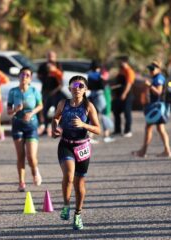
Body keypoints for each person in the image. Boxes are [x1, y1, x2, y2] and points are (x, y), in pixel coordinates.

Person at [51, 75, 101, 230]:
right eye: (74, 85)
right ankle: (66, 205)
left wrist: (83, 125)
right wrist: (55, 128)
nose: (77, 88)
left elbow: (98, 129)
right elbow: (56, 118)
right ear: (69, 88)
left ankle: (78, 214)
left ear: (85, 89)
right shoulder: (63, 103)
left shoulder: (89, 106)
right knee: (68, 175)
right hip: (66, 144)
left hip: (82, 147)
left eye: (81, 86)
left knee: (79, 184)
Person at [7, 67, 43, 192]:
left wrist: (31, 113)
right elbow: (8, 111)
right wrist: (16, 109)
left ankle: (35, 172)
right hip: (17, 124)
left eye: (27, 75)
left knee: (31, 157)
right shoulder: (13, 92)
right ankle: (21, 182)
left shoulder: (34, 90)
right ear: (19, 76)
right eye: (22, 74)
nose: (24, 76)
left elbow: (40, 105)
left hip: (31, 126)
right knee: (20, 156)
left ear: (30, 78)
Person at [132, 60, 171, 158]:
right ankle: (166, 150)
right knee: (159, 128)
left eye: (152, 69)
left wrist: (149, 85)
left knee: (149, 128)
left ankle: (143, 151)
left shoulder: (159, 78)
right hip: (156, 107)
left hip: (157, 107)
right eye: (150, 68)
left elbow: (158, 92)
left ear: (159, 69)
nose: (151, 70)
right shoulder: (156, 77)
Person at [37, 50, 64, 136]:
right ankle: (45, 128)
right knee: (44, 110)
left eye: (52, 56)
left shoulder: (58, 65)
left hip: (56, 91)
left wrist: (54, 70)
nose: (51, 58)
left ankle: (59, 128)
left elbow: (61, 75)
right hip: (46, 91)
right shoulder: (43, 66)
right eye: (49, 56)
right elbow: (38, 75)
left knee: (58, 111)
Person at [87, 60, 114, 143]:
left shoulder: (89, 75)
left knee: (94, 116)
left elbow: (89, 86)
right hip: (99, 96)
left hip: (92, 96)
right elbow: (102, 86)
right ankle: (106, 135)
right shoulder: (99, 75)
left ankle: (90, 136)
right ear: (98, 67)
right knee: (105, 114)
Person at [111, 57, 135, 137]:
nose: (121, 64)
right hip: (118, 95)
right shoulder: (121, 70)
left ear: (126, 62)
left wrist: (124, 94)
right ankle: (117, 130)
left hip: (126, 95)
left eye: (122, 62)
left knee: (127, 113)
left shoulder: (129, 71)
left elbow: (129, 84)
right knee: (116, 112)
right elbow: (118, 82)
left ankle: (128, 131)